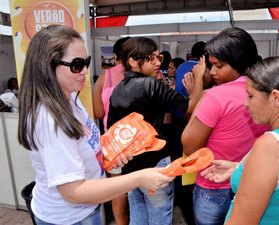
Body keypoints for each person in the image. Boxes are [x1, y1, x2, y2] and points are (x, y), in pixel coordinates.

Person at [17, 24, 174, 225]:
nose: (84, 71)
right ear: (48, 66)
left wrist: (111, 151)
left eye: (86, 62)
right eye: (76, 64)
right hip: (69, 218)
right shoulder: (50, 120)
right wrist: (138, 178)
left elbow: (85, 143)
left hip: (85, 211)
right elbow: (73, 192)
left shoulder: (70, 98)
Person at [107, 37, 205, 225]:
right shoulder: (151, 85)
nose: (158, 63)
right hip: (156, 163)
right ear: (133, 62)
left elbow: (112, 129)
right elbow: (191, 106)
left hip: (131, 167)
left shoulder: (117, 90)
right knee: (159, 217)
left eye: (158, 57)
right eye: (151, 58)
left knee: (138, 216)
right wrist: (198, 77)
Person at [181, 27, 270, 225]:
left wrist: (199, 90)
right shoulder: (268, 91)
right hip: (253, 180)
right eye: (210, 66)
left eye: (218, 66)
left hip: (214, 185)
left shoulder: (215, 96)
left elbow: (189, 145)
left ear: (238, 61)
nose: (212, 72)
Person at [202, 56, 279, 224]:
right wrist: (240, 169)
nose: (246, 104)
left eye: (250, 96)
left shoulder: (271, 145)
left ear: (276, 98)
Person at [92, 36, 131, 225]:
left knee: (118, 187)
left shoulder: (104, 77)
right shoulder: (146, 75)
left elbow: (98, 112)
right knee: (140, 183)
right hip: (140, 138)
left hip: (114, 140)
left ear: (115, 56)